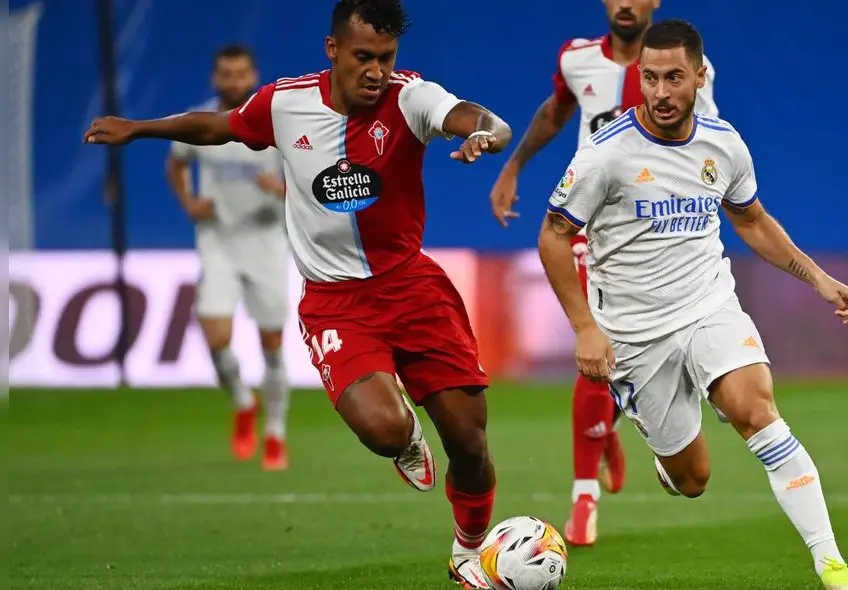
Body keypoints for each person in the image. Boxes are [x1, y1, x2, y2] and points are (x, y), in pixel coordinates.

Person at [85, 2, 511, 587]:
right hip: (336, 301)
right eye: (363, 57)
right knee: (384, 430)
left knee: (469, 441)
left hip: (412, 288)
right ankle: (408, 438)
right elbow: (217, 126)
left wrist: (487, 135)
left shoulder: (411, 97)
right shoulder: (286, 103)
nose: (376, 71)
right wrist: (139, 129)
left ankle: (468, 550)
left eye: (386, 58)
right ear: (333, 50)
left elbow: (481, 118)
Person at [536, 19, 848, 590]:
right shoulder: (605, 154)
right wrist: (584, 328)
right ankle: (667, 460)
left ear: (699, 76)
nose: (661, 93)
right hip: (636, 336)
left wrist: (818, 279)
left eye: (673, 78)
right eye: (650, 78)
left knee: (756, 410)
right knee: (693, 480)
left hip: (708, 305)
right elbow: (552, 236)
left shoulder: (724, 143)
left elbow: (752, 220)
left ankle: (831, 565)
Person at [489, 0, 719, 547]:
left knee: (614, 361)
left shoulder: (686, 69)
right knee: (594, 350)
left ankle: (614, 415)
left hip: (652, 232)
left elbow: (702, 142)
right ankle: (583, 494)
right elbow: (554, 114)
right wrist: (514, 166)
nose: (624, 4)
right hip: (592, 230)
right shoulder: (578, 59)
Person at [164, 44, 290, 471]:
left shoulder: (276, 123)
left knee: (272, 346)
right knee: (216, 337)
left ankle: (275, 434)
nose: (234, 81)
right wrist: (188, 201)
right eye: (226, 74)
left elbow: (310, 180)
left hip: (267, 243)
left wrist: (284, 191)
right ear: (216, 78)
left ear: (253, 75)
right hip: (218, 242)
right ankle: (242, 401)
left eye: (241, 74)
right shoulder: (200, 123)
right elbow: (175, 164)